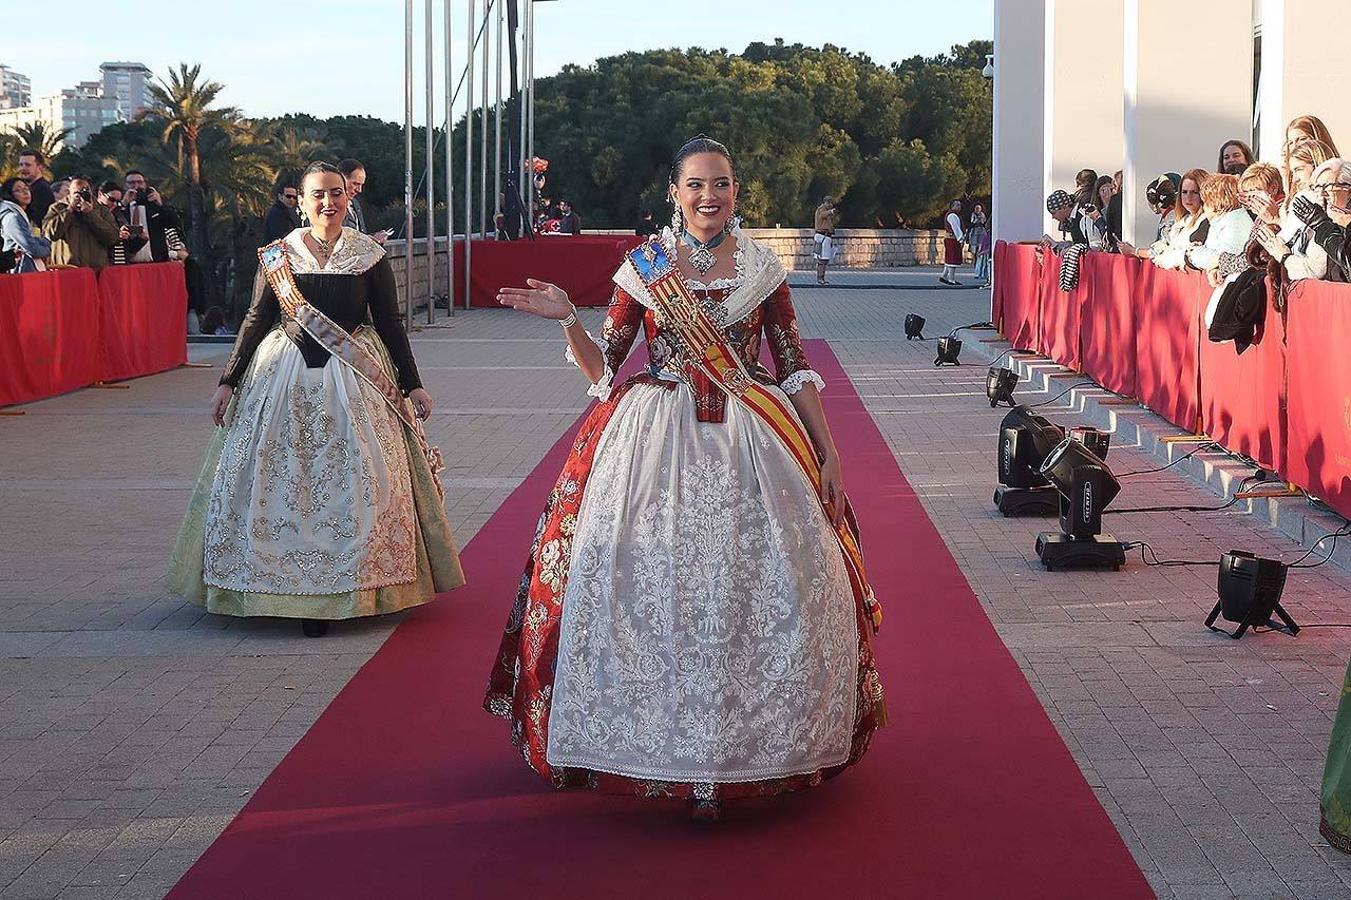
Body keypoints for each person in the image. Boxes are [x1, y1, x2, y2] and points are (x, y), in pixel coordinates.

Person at [484, 136, 886, 822]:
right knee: (651, 587)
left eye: (721, 184)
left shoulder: (762, 267)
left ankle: (749, 749)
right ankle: (659, 750)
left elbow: (790, 366)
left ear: (736, 190)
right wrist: (568, 322)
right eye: (696, 184)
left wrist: (828, 451)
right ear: (673, 190)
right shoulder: (642, 268)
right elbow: (603, 369)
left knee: (756, 586)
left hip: (757, 438)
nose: (709, 197)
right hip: (652, 441)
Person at [168, 161, 464, 637]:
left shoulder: (369, 255)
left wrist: (412, 385)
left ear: (349, 198)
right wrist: (228, 380)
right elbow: (255, 318)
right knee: (273, 477)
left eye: (337, 193)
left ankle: (354, 585)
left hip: (355, 381)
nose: (329, 202)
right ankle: (273, 586)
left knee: (362, 478)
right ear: (301, 203)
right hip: (279, 378)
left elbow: (389, 323)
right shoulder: (276, 256)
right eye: (318, 195)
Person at [1127, 170, 1210, 267]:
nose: (1188, 197)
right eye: (1184, 192)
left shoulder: (1208, 220)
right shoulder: (1183, 221)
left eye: (1194, 192)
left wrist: (1135, 251)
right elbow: (1165, 249)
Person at [42, 177, 119, 269]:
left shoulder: (102, 210)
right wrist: (69, 210)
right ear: (69, 193)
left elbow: (112, 238)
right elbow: (50, 234)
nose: (80, 197)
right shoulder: (57, 208)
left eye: (84, 193)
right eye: (76, 193)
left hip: (95, 270)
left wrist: (90, 214)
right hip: (67, 269)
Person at [0, 177, 51, 273]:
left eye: (26, 188)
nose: (25, 192)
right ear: (9, 194)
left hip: (32, 268)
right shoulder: (12, 218)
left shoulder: (28, 216)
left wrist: (43, 244)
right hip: (20, 270)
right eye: (18, 190)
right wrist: (48, 249)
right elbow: (31, 247)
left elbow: (39, 238)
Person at [337, 158, 390, 244]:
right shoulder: (330, 206)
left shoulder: (355, 204)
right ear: (341, 178)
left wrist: (371, 239)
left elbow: (359, 234)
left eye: (361, 185)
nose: (359, 190)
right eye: (355, 184)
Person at [17, 149, 56, 226]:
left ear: (39, 167)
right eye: (21, 165)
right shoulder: (30, 188)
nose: (23, 168)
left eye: (28, 165)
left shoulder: (42, 190)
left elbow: (36, 220)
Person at [813, 195, 838, 284]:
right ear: (826, 202)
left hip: (826, 237)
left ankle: (822, 278)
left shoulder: (825, 210)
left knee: (825, 259)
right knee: (822, 259)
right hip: (822, 236)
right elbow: (822, 215)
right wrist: (830, 212)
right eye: (830, 203)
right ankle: (820, 278)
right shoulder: (821, 209)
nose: (831, 205)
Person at [940, 199, 965, 285]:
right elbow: (956, 228)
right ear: (952, 206)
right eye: (957, 205)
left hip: (952, 239)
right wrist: (960, 238)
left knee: (950, 258)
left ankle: (943, 276)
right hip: (952, 239)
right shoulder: (952, 216)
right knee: (952, 259)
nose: (959, 207)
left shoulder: (955, 215)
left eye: (960, 205)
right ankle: (951, 279)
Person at [968, 202, 991, 285]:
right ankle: (975, 266)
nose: (977, 210)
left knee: (980, 251)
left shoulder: (983, 215)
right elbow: (972, 223)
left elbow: (984, 222)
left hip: (981, 233)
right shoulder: (972, 215)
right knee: (974, 250)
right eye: (976, 208)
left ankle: (979, 269)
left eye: (979, 208)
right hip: (974, 233)